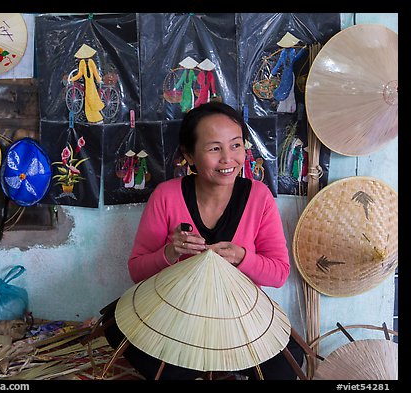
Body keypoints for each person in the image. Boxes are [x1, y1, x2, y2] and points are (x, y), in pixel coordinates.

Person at [102, 101, 304, 380]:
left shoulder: (259, 197)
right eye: (214, 148)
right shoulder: (167, 196)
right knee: (117, 329)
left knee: (288, 363)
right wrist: (169, 253)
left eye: (236, 145)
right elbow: (137, 270)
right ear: (190, 155)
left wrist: (242, 257)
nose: (228, 159)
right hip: (178, 317)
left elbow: (279, 273)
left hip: (236, 320)